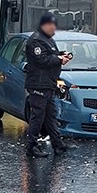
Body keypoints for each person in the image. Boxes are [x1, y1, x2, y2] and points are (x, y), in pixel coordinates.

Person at [23, 13, 73, 157]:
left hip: (48, 84)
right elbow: (42, 60)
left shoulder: (47, 39)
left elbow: (51, 54)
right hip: (39, 85)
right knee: (37, 116)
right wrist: (59, 59)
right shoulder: (36, 41)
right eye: (51, 26)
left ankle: (58, 145)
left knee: (51, 115)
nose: (54, 29)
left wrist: (62, 54)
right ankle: (31, 146)